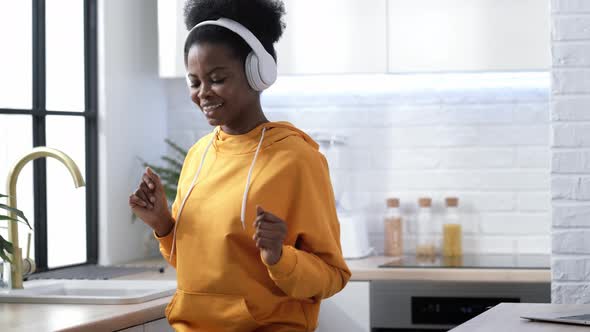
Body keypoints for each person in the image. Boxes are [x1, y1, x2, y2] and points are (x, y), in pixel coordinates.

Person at [129, 0, 351, 330]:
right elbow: (202, 266)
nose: (202, 93)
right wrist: (163, 225)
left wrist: (279, 256)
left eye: (217, 78)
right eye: (194, 82)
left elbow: (332, 276)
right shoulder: (199, 155)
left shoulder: (296, 160)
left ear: (256, 73)